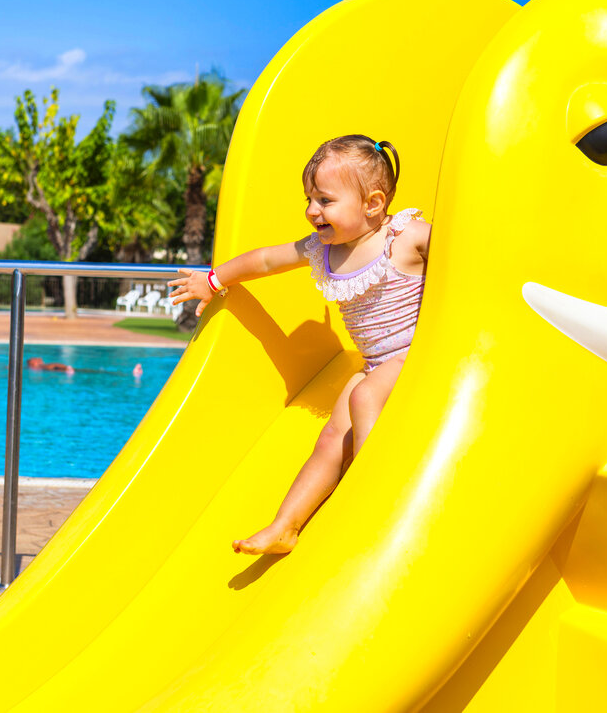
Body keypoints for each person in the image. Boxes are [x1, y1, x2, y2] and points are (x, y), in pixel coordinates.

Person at [168, 134, 430, 555]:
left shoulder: (406, 237)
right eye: (309, 199)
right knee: (330, 438)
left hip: (420, 355)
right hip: (376, 363)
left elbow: (464, 250)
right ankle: (285, 525)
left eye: (325, 201)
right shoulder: (322, 250)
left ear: (374, 204)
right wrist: (214, 280)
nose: (312, 211)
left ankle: (373, 499)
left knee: (363, 398)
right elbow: (266, 260)